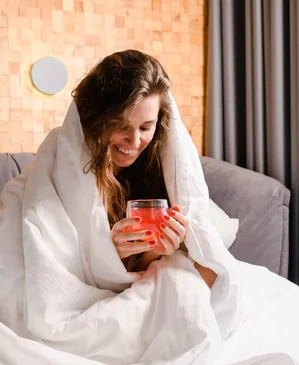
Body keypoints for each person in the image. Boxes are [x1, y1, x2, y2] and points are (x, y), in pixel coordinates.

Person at [72, 49, 218, 288]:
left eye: (145, 127)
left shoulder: (156, 171)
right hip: (87, 289)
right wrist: (107, 255)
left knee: (207, 275)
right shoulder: (70, 170)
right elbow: (60, 268)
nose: (133, 141)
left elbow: (139, 274)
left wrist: (154, 252)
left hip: (133, 288)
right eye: (118, 125)